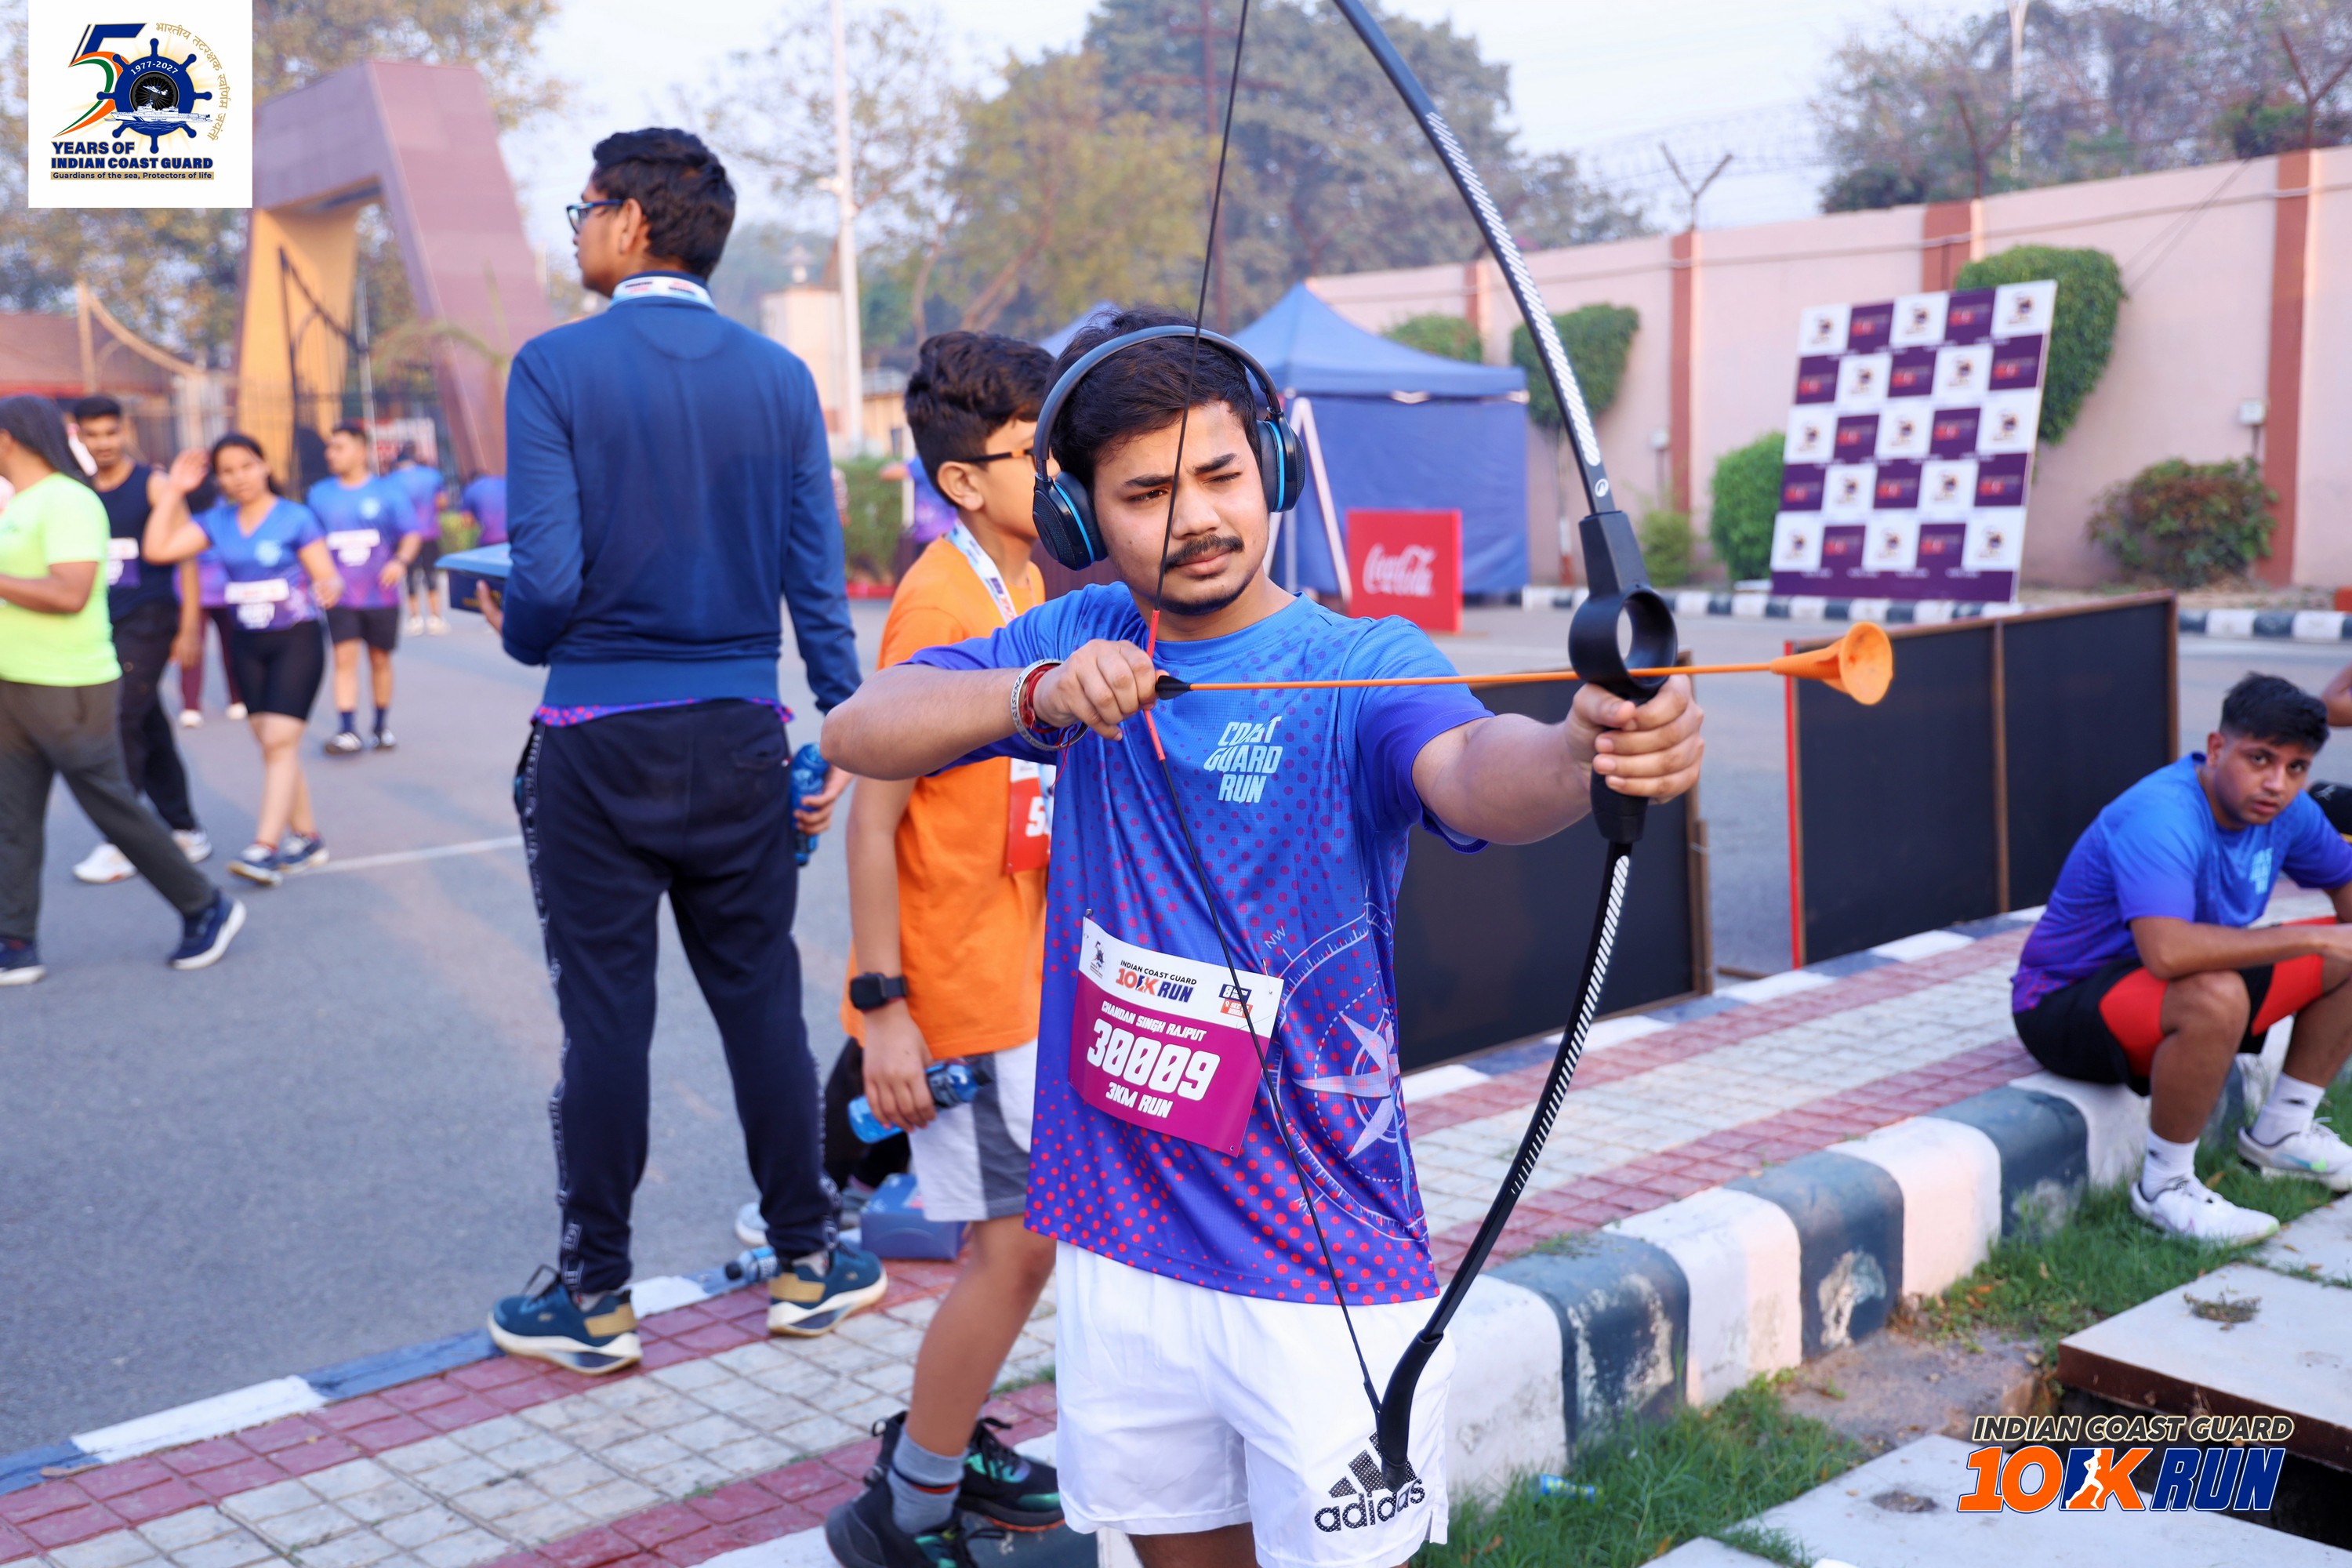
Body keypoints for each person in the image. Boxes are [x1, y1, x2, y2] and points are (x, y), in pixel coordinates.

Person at [818, 308, 1705, 1568]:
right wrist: (1035, 694)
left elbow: (1471, 770)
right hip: (1119, 1237)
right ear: (1076, 515)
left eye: (1222, 475)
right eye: (1145, 495)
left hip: (1316, 1255)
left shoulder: (1361, 660)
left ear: (1275, 465)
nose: (1196, 520)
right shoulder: (1079, 639)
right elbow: (862, 727)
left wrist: (1581, 755)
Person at [474, 126, 877, 1374]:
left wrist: (512, 624)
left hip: (598, 741)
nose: (577, 232)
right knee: (762, 1007)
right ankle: (807, 1261)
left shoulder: (554, 365)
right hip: (744, 734)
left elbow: (545, 582)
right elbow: (817, 586)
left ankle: (596, 1297)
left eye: (583, 210)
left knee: (606, 1023)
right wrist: (840, 732)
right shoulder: (779, 379)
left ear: (632, 221)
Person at [818, 332, 1065, 1568]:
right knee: (1012, 1252)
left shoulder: (1026, 579)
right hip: (965, 994)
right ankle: (908, 1507)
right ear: (965, 479)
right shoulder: (940, 600)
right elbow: (874, 815)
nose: (1059, 472)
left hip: (1025, 977)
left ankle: (945, 1447)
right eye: (1036, 454)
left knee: (1025, 1245)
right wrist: (885, 1010)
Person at [2012, 673, 2352, 1243]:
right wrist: (2316, 940)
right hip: (2064, 1004)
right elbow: (2168, 953)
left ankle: (2283, 1133)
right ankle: (2164, 1188)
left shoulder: (2288, 811)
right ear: (2216, 749)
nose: (2276, 783)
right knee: (2216, 995)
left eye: (2296, 768)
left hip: (2170, 984)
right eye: (2260, 759)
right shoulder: (2163, 813)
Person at [0, 396, 244, 984]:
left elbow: (70, 593)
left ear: (8, 438)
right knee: (12, 814)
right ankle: (15, 939)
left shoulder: (68, 500)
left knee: (111, 805)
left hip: (68, 682)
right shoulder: (20, 504)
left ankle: (205, 906)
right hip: (15, 679)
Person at [143, 434, 343, 887]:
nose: (239, 478)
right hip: (247, 645)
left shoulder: (296, 518)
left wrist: (329, 586)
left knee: (279, 741)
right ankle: (308, 838)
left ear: (264, 465)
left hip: (296, 639)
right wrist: (173, 491)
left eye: (247, 466)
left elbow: (327, 575)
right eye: (228, 471)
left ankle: (264, 847)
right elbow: (157, 549)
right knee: (274, 746)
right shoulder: (216, 522)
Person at [67, 395, 212, 882]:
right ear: (80, 436)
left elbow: (186, 555)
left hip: (150, 615)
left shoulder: (153, 485)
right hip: (101, 621)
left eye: (111, 432)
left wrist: (189, 627)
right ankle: (185, 829)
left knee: (120, 716)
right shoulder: (80, 491)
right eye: (93, 435)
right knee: (147, 720)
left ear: (124, 430)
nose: (104, 443)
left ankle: (123, 840)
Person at [308, 423, 421, 754]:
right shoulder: (319, 494)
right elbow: (310, 541)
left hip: (381, 593)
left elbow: (411, 533)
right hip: (340, 594)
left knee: (380, 659)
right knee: (344, 658)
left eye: (339, 447)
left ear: (361, 451)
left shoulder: (389, 493)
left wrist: (399, 561)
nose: (331, 454)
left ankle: (381, 727)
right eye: (330, 447)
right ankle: (347, 730)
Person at [387, 445, 446, 634]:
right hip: (429, 533)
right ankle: (435, 618)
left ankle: (415, 619)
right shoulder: (432, 475)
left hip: (404, 537)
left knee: (409, 577)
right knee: (431, 574)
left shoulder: (390, 480)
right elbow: (442, 502)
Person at [458, 470, 507, 547]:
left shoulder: (469, 490)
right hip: (515, 534)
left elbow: (467, 522)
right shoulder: (503, 482)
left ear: (471, 481)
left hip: (491, 540)